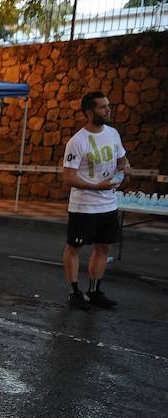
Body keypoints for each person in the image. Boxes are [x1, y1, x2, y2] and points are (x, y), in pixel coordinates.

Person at [61, 91, 128, 310]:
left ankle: (94, 291)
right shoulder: (77, 141)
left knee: (103, 249)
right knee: (74, 248)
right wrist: (96, 186)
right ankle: (74, 293)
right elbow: (69, 177)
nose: (108, 110)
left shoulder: (113, 133)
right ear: (89, 112)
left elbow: (122, 159)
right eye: (103, 107)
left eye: (108, 106)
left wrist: (123, 169)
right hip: (84, 206)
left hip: (108, 204)